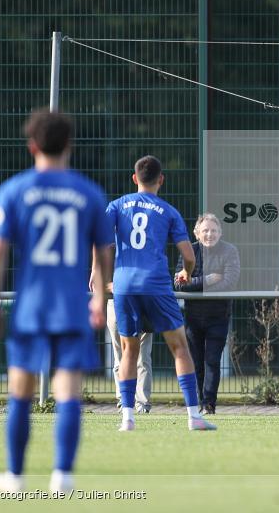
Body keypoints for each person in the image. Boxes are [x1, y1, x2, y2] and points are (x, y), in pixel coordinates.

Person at [0, 109, 114, 494]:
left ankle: (15, 476)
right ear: (69, 146)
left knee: (20, 391)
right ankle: (63, 476)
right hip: (72, 306)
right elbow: (105, 251)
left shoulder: (14, 190)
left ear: (32, 145)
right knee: (69, 391)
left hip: (31, 307)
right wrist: (99, 297)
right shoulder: (88, 192)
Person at [103, 155, 215, 431]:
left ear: (134, 178)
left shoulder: (116, 206)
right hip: (155, 284)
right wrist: (187, 272)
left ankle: (127, 417)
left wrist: (105, 279)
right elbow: (188, 255)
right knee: (179, 347)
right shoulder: (168, 211)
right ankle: (193, 416)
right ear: (161, 179)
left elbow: (102, 246)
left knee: (129, 350)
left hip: (125, 285)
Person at [174, 213, 240, 415]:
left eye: (213, 230)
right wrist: (209, 280)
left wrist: (194, 284)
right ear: (197, 233)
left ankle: (208, 405)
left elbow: (230, 282)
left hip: (219, 316)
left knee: (212, 360)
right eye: (205, 230)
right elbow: (177, 283)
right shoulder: (189, 252)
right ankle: (196, 405)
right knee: (195, 362)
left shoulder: (229, 251)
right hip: (193, 317)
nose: (209, 234)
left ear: (220, 232)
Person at [105, 299, 153, 413]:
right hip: (117, 302)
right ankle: (124, 401)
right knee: (120, 357)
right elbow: (98, 285)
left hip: (143, 301)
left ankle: (142, 403)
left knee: (143, 357)